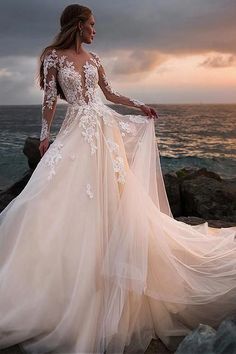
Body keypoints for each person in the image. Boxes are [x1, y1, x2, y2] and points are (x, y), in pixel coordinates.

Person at [0, 3, 236, 354]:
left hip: (104, 130)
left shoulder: (95, 61)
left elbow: (109, 95)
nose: (96, 30)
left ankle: (109, 266)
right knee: (56, 199)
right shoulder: (53, 57)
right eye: (92, 24)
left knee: (116, 198)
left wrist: (139, 105)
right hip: (77, 131)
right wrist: (45, 134)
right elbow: (50, 97)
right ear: (78, 26)